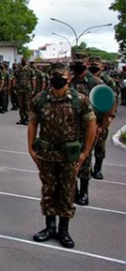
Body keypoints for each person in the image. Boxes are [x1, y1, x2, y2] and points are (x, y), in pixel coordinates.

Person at [28, 62, 96, 249]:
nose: (58, 81)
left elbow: (91, 125)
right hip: (47, 154)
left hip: (69, 156)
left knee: (67, 193)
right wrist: (31, 148)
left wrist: (85, 152)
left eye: (62, 78)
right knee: (48, 191)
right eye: (55, 77)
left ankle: (64, 231)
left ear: (69, 79)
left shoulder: (79, 100)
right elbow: (33, 123)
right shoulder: (40, 99)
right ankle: (49, 227)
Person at [68, 52, 104, 206]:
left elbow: (104, 106)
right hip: (70, 128)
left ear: (86, 65)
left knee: (85, 160)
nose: (77, 67)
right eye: (75, 64)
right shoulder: (69, 82)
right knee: (70, 160)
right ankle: (73, 190)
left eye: (80, 64)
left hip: (88, 128)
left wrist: (101, 126)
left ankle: (84, 192)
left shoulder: (96, 83)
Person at [88, 56, 117, 180]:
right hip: (87, 120)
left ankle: (97, 169)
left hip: (101, 120)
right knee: (85, 147)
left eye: (96, 65)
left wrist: (107, 121)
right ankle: (86, 169)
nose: (94, 67)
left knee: (100, 147)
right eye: (91, 65)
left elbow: (112, 101)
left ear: (102, 67)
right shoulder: (85, 79)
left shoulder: (107, 81)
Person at [13, 58, 35, 125]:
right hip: (19, 89)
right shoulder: (17, 70)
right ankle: (22, 118)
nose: (24, 62)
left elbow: (33, 80)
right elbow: (14, 79)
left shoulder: (30, 70)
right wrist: (14, 87)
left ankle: (27, 118)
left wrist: (33, 89)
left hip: (27, 89)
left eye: (25, 61)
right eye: (23, 61)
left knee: (27, 104)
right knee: (21, 104)